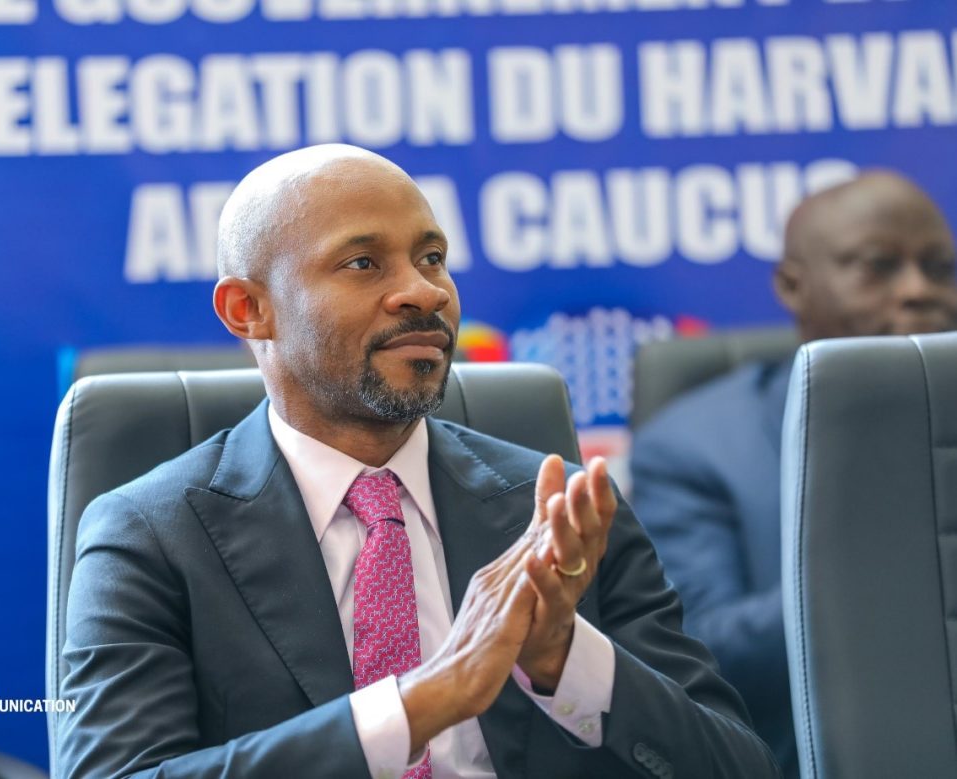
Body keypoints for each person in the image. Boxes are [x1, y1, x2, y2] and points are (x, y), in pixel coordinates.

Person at [58, 144, 779, 778]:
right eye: (364, 263)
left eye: (431, 258)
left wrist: (566, 658)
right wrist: (426, 699)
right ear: (249, 309)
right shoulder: (152, 535)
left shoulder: (560, 512)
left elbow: (740, 766)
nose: (425, 292)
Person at [631, 171, 957, 776]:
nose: (919, 290)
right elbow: (697, 654)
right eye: (879, 266)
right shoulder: (694, 447)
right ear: (792, 286)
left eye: (940, 269)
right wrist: (898, 566)